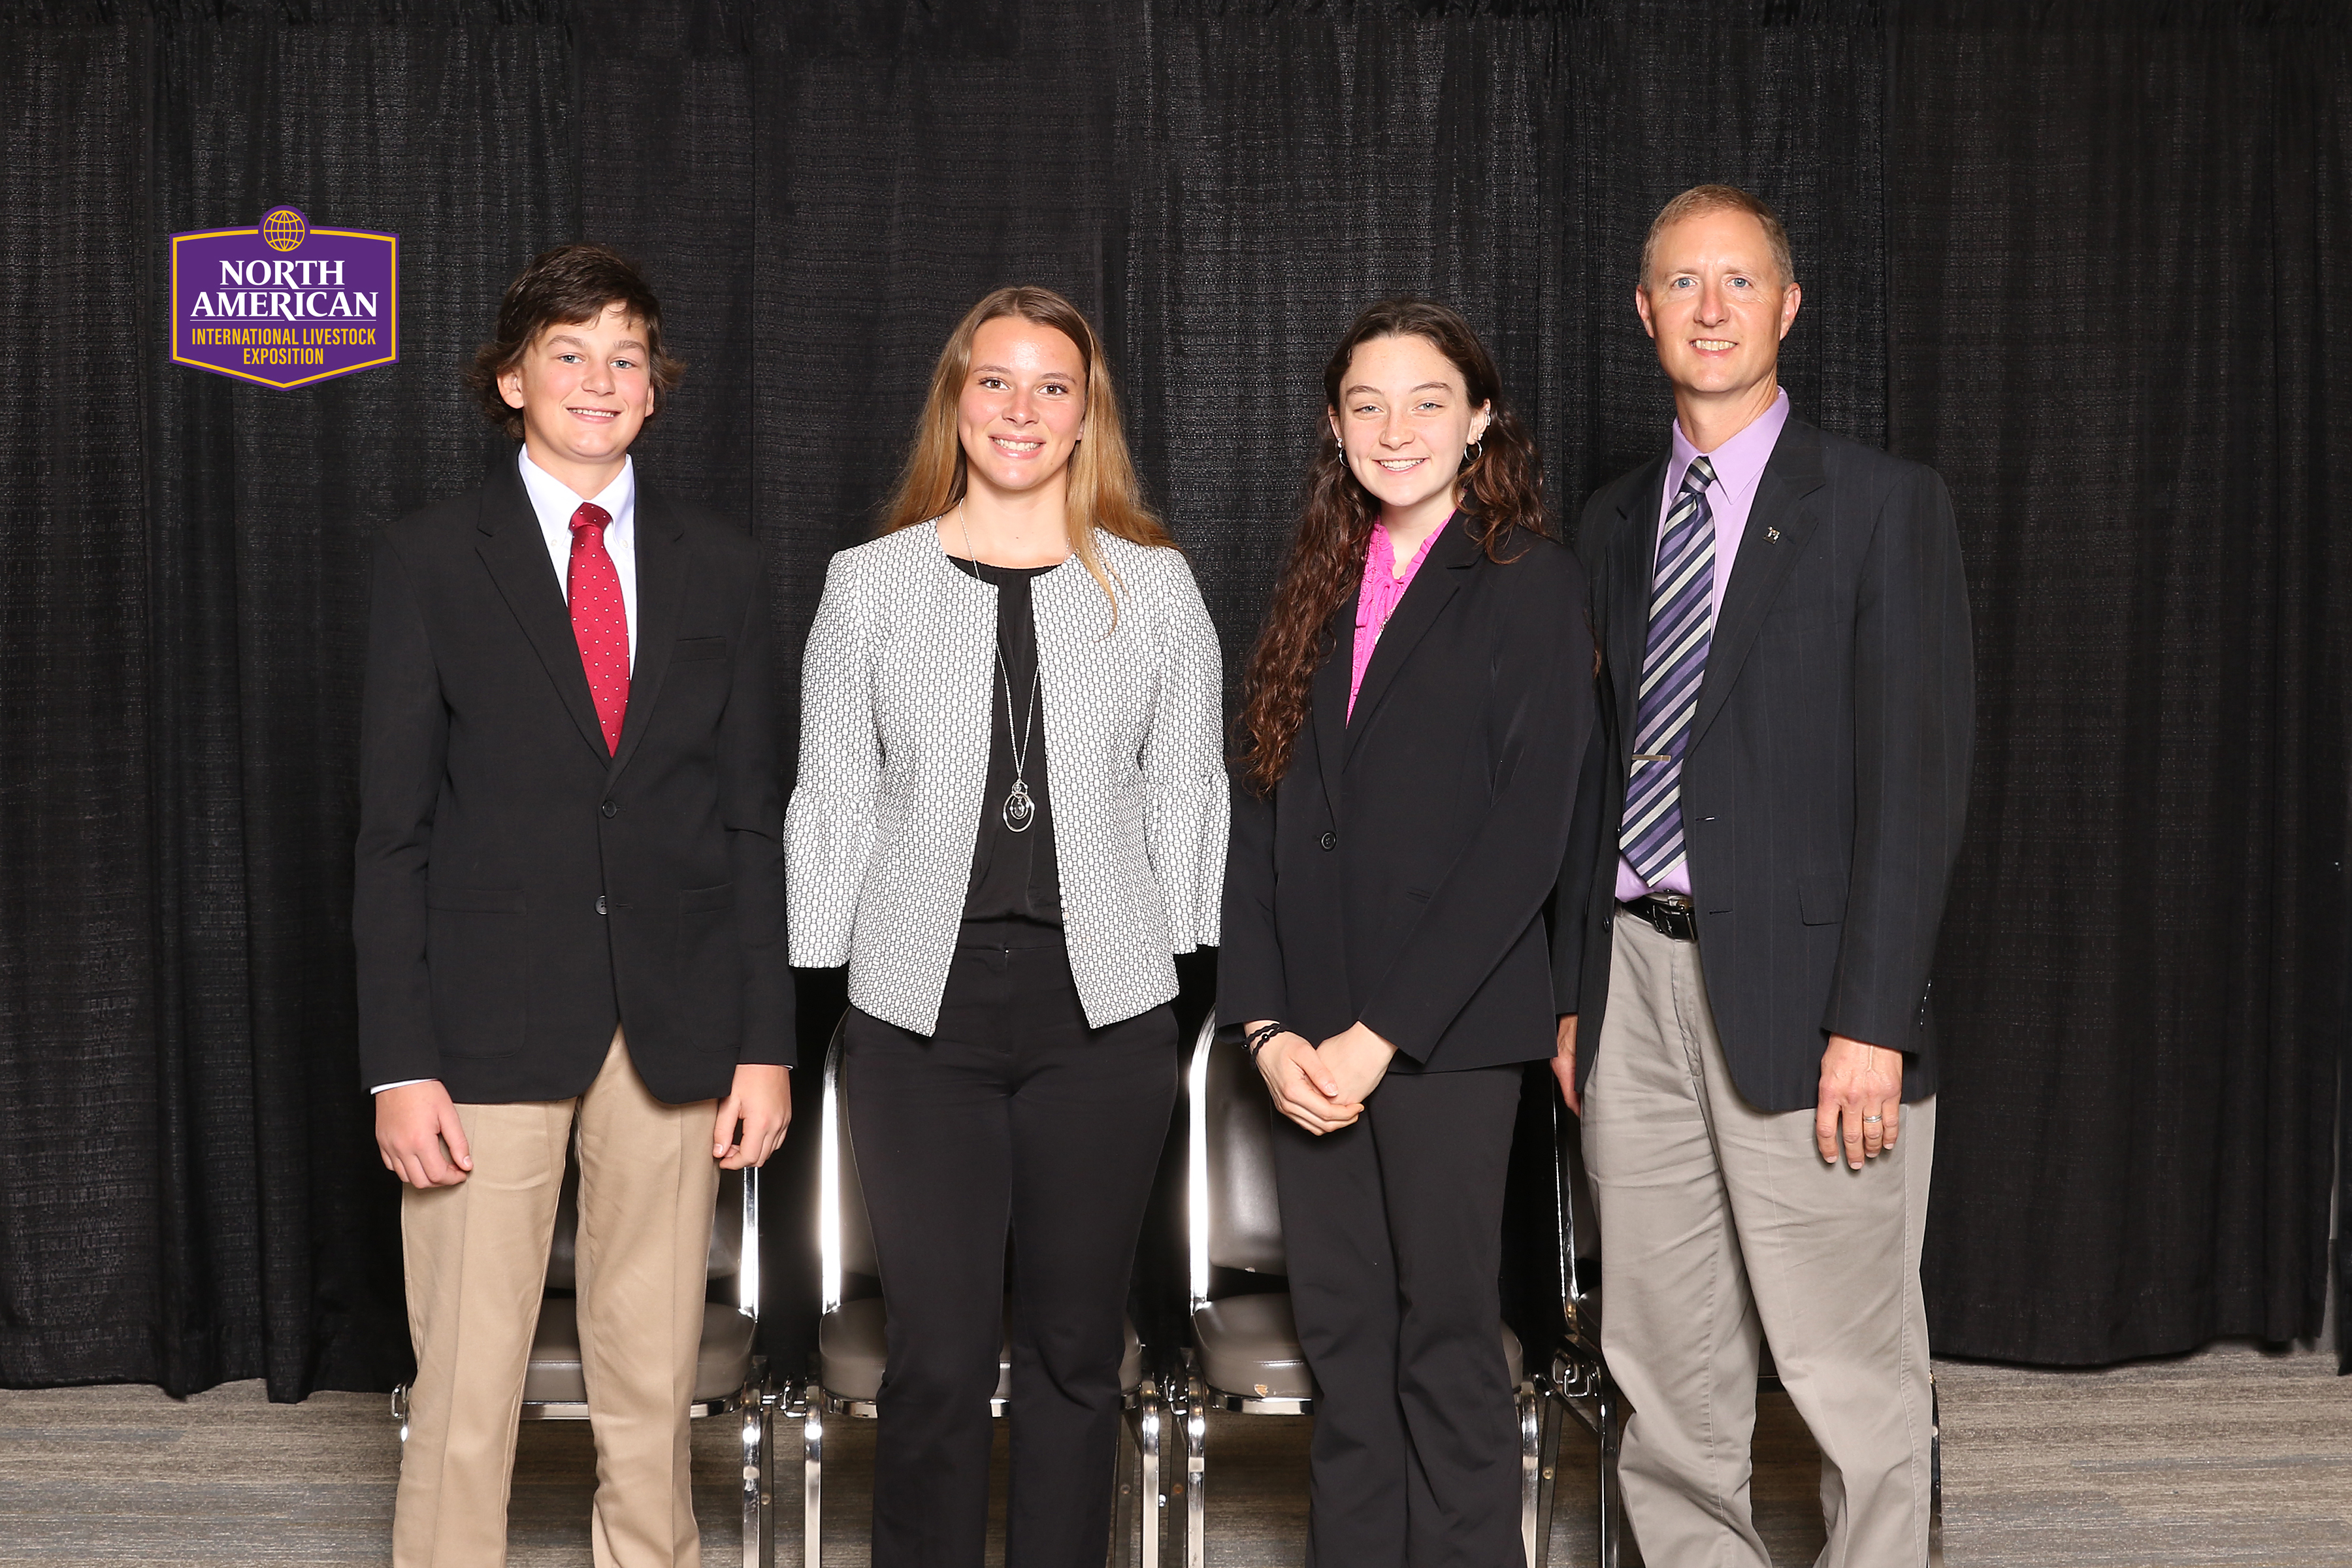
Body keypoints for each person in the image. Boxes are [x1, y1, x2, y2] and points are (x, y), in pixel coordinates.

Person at [1550, 185, 1974, 1565]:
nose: (1713, 308)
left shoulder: (1879, 507)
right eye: (1685, 283)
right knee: (1668, 1379)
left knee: (1852, 1379)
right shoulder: (1613, 523)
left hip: (1813, 1000)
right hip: (1633, 982)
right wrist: (1576, 999)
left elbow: (1915, 786)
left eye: (1741, 283)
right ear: (1645, 310)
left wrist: (1876, 1019)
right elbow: (1596, 775)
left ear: (1789, 309)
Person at [355, 244, 792, 1568]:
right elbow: (391, 834)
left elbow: (752, 820)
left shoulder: (725, 566)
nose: (600, 380)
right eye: (568, 353)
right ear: (510, 381)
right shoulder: (431, 558)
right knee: (467, 1390)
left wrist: (765, 1043)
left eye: (625, 356)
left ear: (656, 389)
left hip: (676, 1025)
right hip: (481, 1032)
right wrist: (398, 1067)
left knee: (653, 1385)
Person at [785, 285, 1226, 1568]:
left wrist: (1182, 983)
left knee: (1078, 1355)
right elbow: (829, 801)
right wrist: (812, 1005)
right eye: (995, 381)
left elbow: (1191, 792)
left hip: (1106, 1018)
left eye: (1051, 386)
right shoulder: (867, 586)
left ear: (1088, 412)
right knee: (931, 1357)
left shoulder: (1155, 589)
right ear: (955, 401)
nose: (1021, 410)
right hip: (919, 1020)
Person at [1219, 297, 1594, 1567]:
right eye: (1367, 404)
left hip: (1442, 1042)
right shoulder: (1320, 585)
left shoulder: (1531, 586)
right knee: (1345, 1357)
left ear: (1480, 417)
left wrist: (1382, 1035)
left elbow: (1523, 845)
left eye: (1428, 400)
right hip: (1310, 1047)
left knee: (1444, 1347)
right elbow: (1260, 827)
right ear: (1334, 426)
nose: (1398, 428)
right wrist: (1267, 1028)